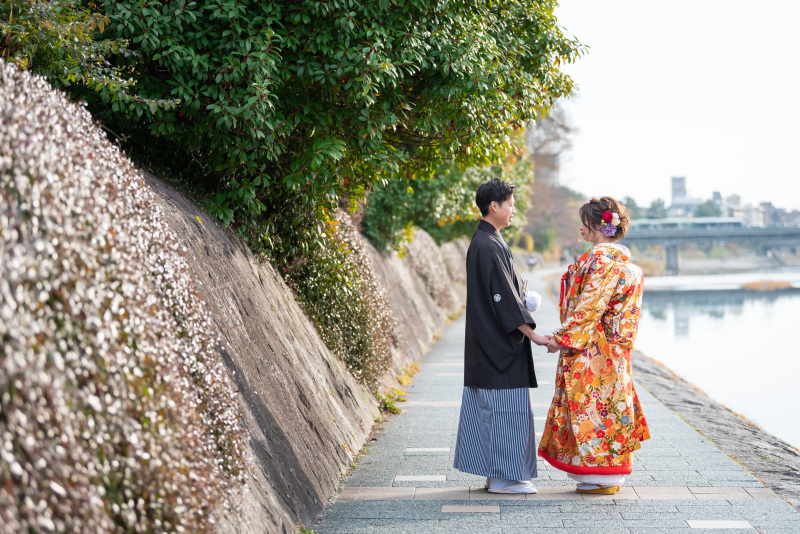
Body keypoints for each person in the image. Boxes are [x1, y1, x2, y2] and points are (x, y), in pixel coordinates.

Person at [538, 196, 651, 494]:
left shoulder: (600, 261)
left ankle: (599, 477)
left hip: (593, 350)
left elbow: (589, 308)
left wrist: (561, 339)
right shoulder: (623, 263)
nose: (580, 227)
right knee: (612, 407)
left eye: (584, 222)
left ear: (598, 226)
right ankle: (609, 476)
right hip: (616, 349)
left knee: (592, 409)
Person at [453, 178, 552, 494]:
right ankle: (503, 477)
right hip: (496, 348)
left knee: (497, 410)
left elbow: (508, 293)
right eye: (510, 204)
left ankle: (499, 474)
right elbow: (504, 301)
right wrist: (535, 337)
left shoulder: (488, 241)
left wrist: (525, 298)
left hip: (491, 345)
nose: (513, 210)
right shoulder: (487, 244)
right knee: (504, 410)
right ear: (493, 206)